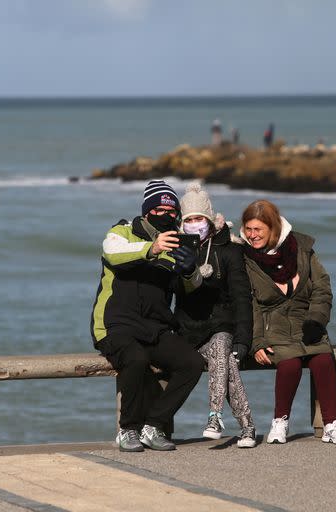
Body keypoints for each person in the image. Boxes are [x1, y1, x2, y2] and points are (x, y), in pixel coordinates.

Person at [91, 179, 206, 452]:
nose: (166, 216)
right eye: (159, 210)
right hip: (114, 325)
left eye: (171, 212)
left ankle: (153, 425)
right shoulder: (123, 231)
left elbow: (191, 286)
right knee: (136, 359)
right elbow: (112, 252)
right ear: (146, 211)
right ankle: (127, 429)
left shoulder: (175, 242)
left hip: (156, 327)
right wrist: (151, 249)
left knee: (192, 363)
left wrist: (190, 268)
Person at [239, 199, 336, 445]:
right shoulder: (245, 259)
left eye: (258, 229)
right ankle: (280, 422)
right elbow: (249, 305)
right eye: (248, 229)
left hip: (307, 323)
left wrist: (316, 321)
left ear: (273, 228)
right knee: (289, 364)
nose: (252, 235)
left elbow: (322, 289)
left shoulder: (302, 248)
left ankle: (332, 425)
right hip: (274, 328)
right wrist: (257, 342)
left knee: (323, 360)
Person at [174, 182, 257, 448]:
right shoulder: (176, 251)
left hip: (221, 327)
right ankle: (247, 427)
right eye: (189, 219)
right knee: (227, 364)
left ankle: (215, 416)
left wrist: (243, 340)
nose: (195, 224)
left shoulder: (230, 250)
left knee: (223, 344)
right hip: (188, 331)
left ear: (210, 220)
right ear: (182, 223)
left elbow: (242, 297)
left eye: (199, 218)